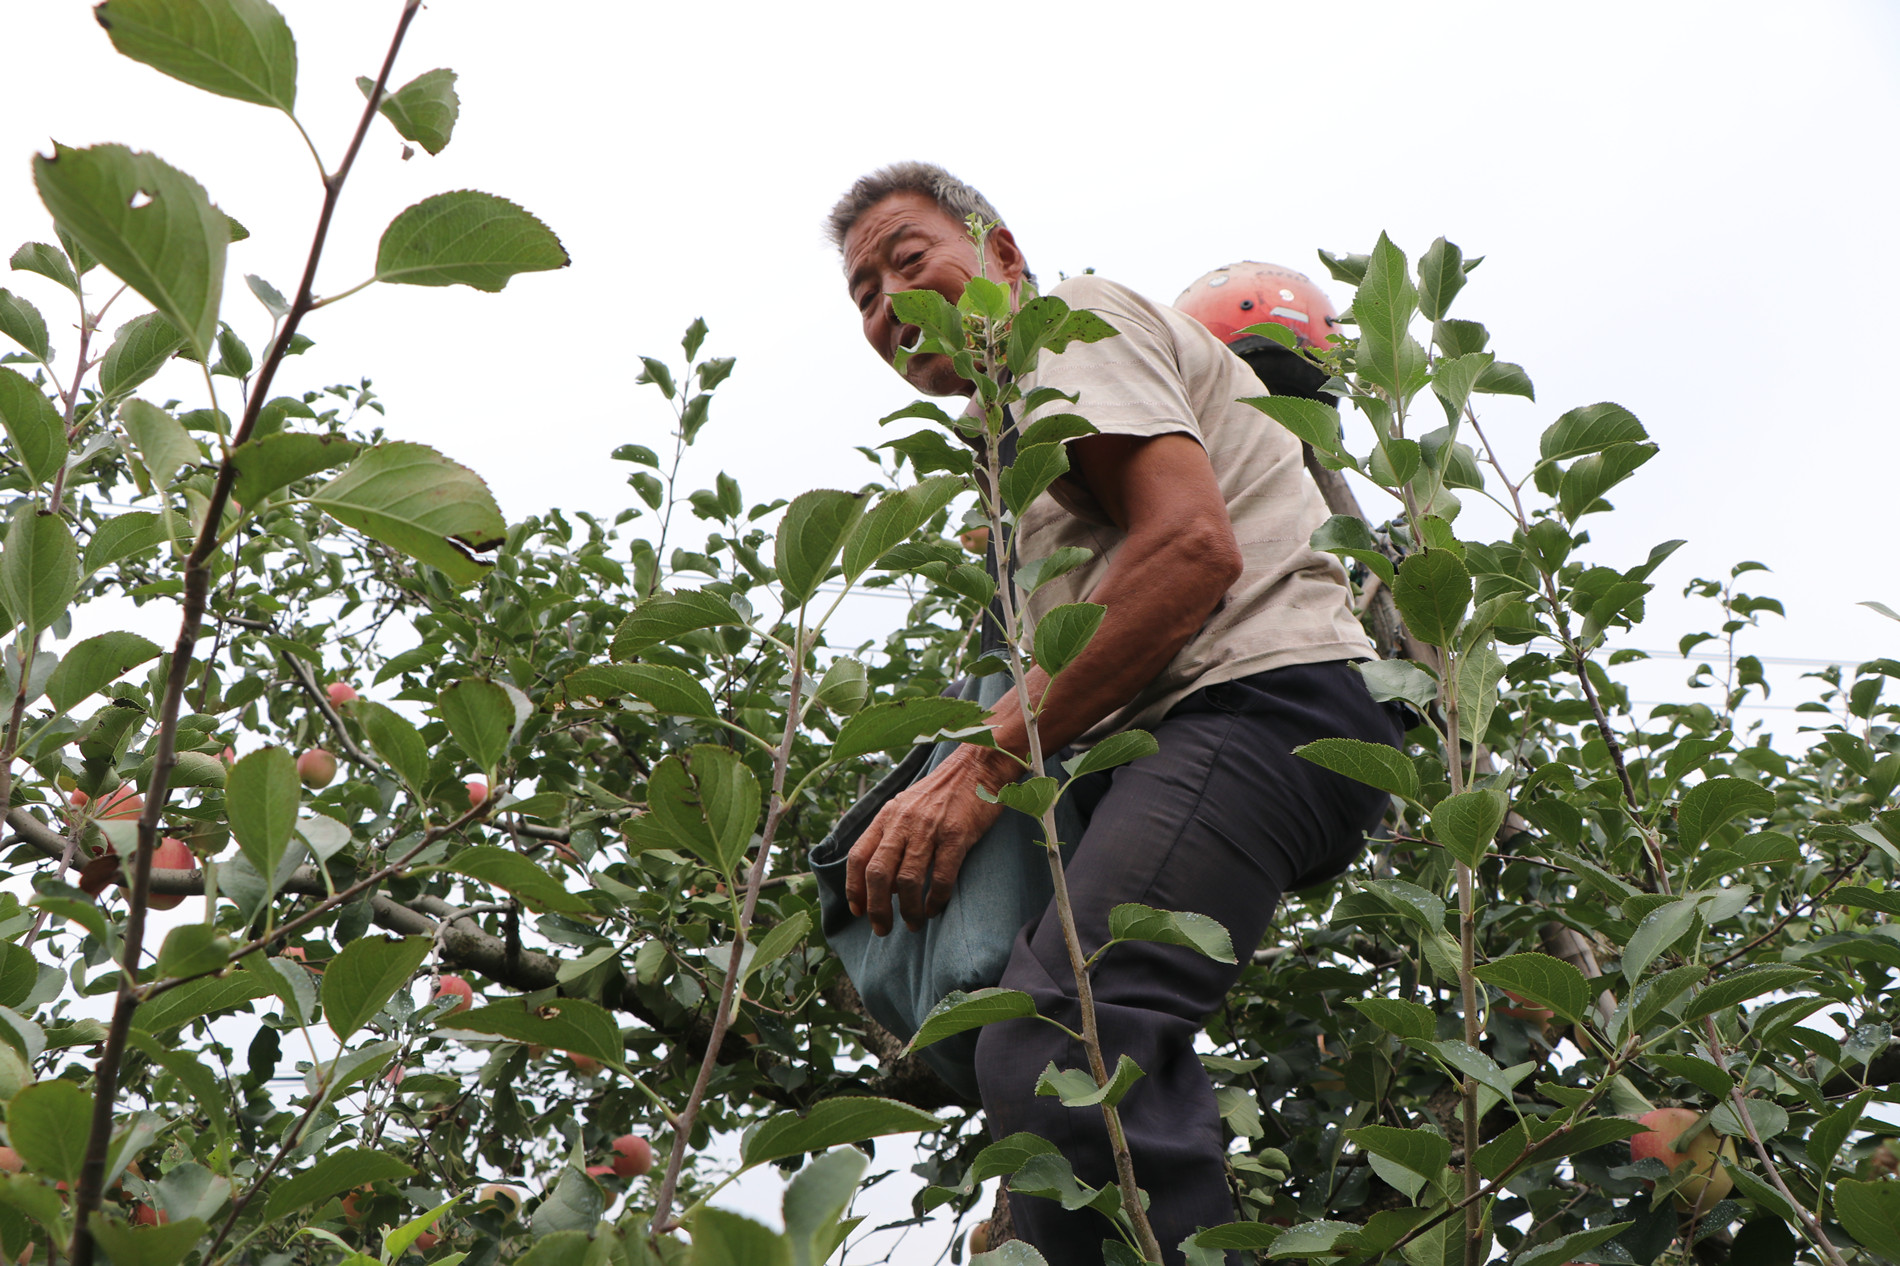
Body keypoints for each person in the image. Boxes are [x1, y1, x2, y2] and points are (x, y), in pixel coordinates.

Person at [826, 162, 1402, 1265]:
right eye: (861, 295)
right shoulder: (1010, 449)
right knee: (1059, 1043)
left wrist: (978, 767)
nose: (889, 303)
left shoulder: (1062, 325)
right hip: (1198, 736)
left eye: (908, 260)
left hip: (1258, 703)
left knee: (1060, 1041)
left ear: (999, 256)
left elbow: (1188, 553)